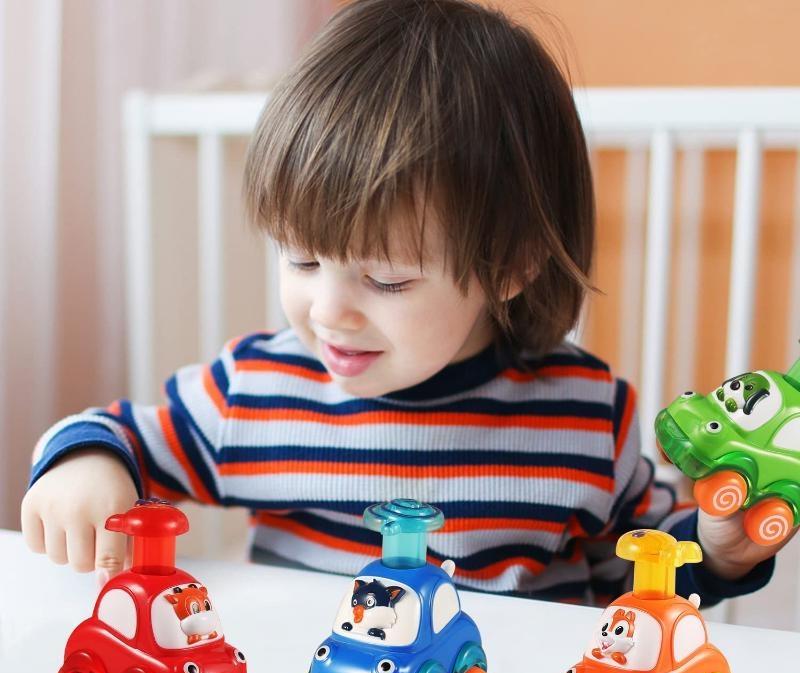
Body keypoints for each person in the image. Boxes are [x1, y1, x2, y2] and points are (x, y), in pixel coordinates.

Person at [20, 0, 783, 603]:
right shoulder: (253, 392)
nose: (328, 310)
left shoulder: (585, 415)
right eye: (302, 258)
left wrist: (719, 553)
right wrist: (86, 465)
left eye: (386, 280)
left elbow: (640, 571)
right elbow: (121, 435)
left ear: (512, 266)